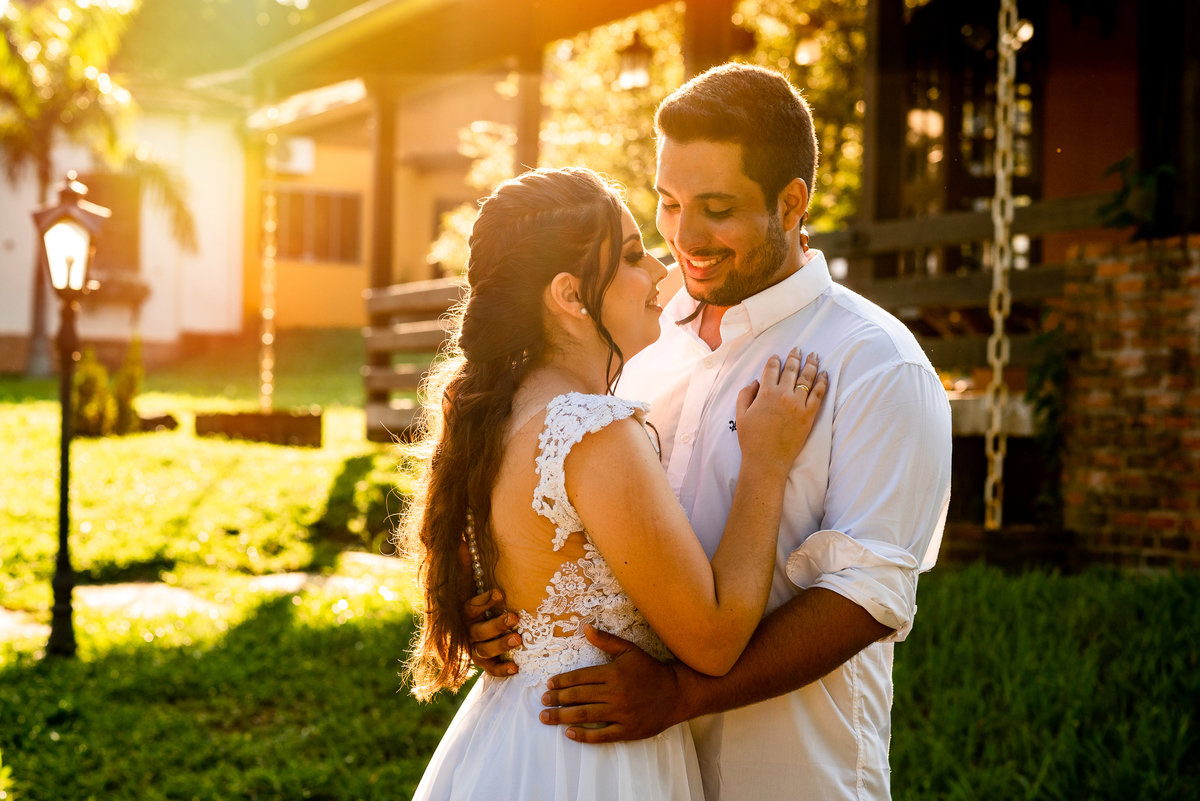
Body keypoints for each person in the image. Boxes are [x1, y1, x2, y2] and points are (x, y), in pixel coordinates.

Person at [467, 64, 954, 800]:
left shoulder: (878, 365)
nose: (683, 236)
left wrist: (681, 694)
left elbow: (867, 598)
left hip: (791, 778)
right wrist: (515, 617)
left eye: (717, 207)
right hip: (620, 773)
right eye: (667, 202)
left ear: (791, 204)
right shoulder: (633, 345)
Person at [400, 165, 830, 801]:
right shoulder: (591, 429)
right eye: (633, 257)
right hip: (588, 760)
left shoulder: (498, 410)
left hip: (512, 740)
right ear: (572, 296)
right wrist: (765, 462)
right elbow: (712, 642)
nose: (661, 274)